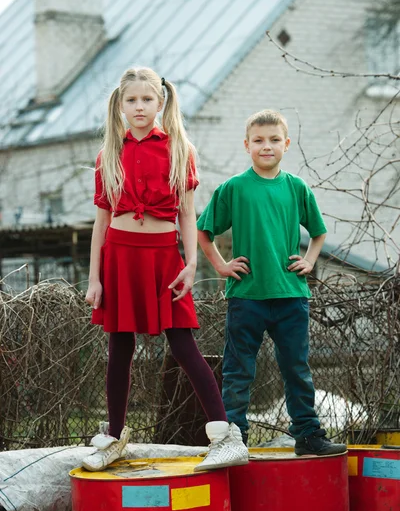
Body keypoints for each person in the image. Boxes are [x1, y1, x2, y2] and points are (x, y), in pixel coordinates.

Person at [82, 67, 249, 472]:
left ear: (161, 102)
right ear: (120, 106)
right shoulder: (109, 153)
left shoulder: (179, 149)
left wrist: (191, 264)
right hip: (119, 256)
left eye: (147, 100)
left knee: (183, 345)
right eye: (131, 100)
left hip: (163, 258)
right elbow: (101, 222)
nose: (139, 107)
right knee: (119, 349)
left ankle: (226, 436)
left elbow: (188, 215)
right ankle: (115, 437)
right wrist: (94, 278)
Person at [197, 109, 346, 456]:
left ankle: (308, 435)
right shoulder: (233, 188)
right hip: (246, 296)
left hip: (291, 295)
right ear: (247, 145)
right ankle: (233, 440)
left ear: (286, 144)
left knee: (296, 368)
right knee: (238, 372)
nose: (267, 146)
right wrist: (221, 264)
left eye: (274, 140)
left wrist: (308, 259)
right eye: (259, 140)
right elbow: (204, 232)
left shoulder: (296, 188)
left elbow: (319, 232)